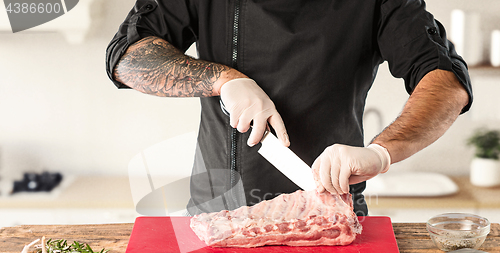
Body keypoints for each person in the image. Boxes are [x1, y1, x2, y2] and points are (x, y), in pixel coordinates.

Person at [106, 0, 472, 216]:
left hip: (331, 215)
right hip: (219, 216)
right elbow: (127, 58)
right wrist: (224, 79)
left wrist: (382, 153)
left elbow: (446, 82)